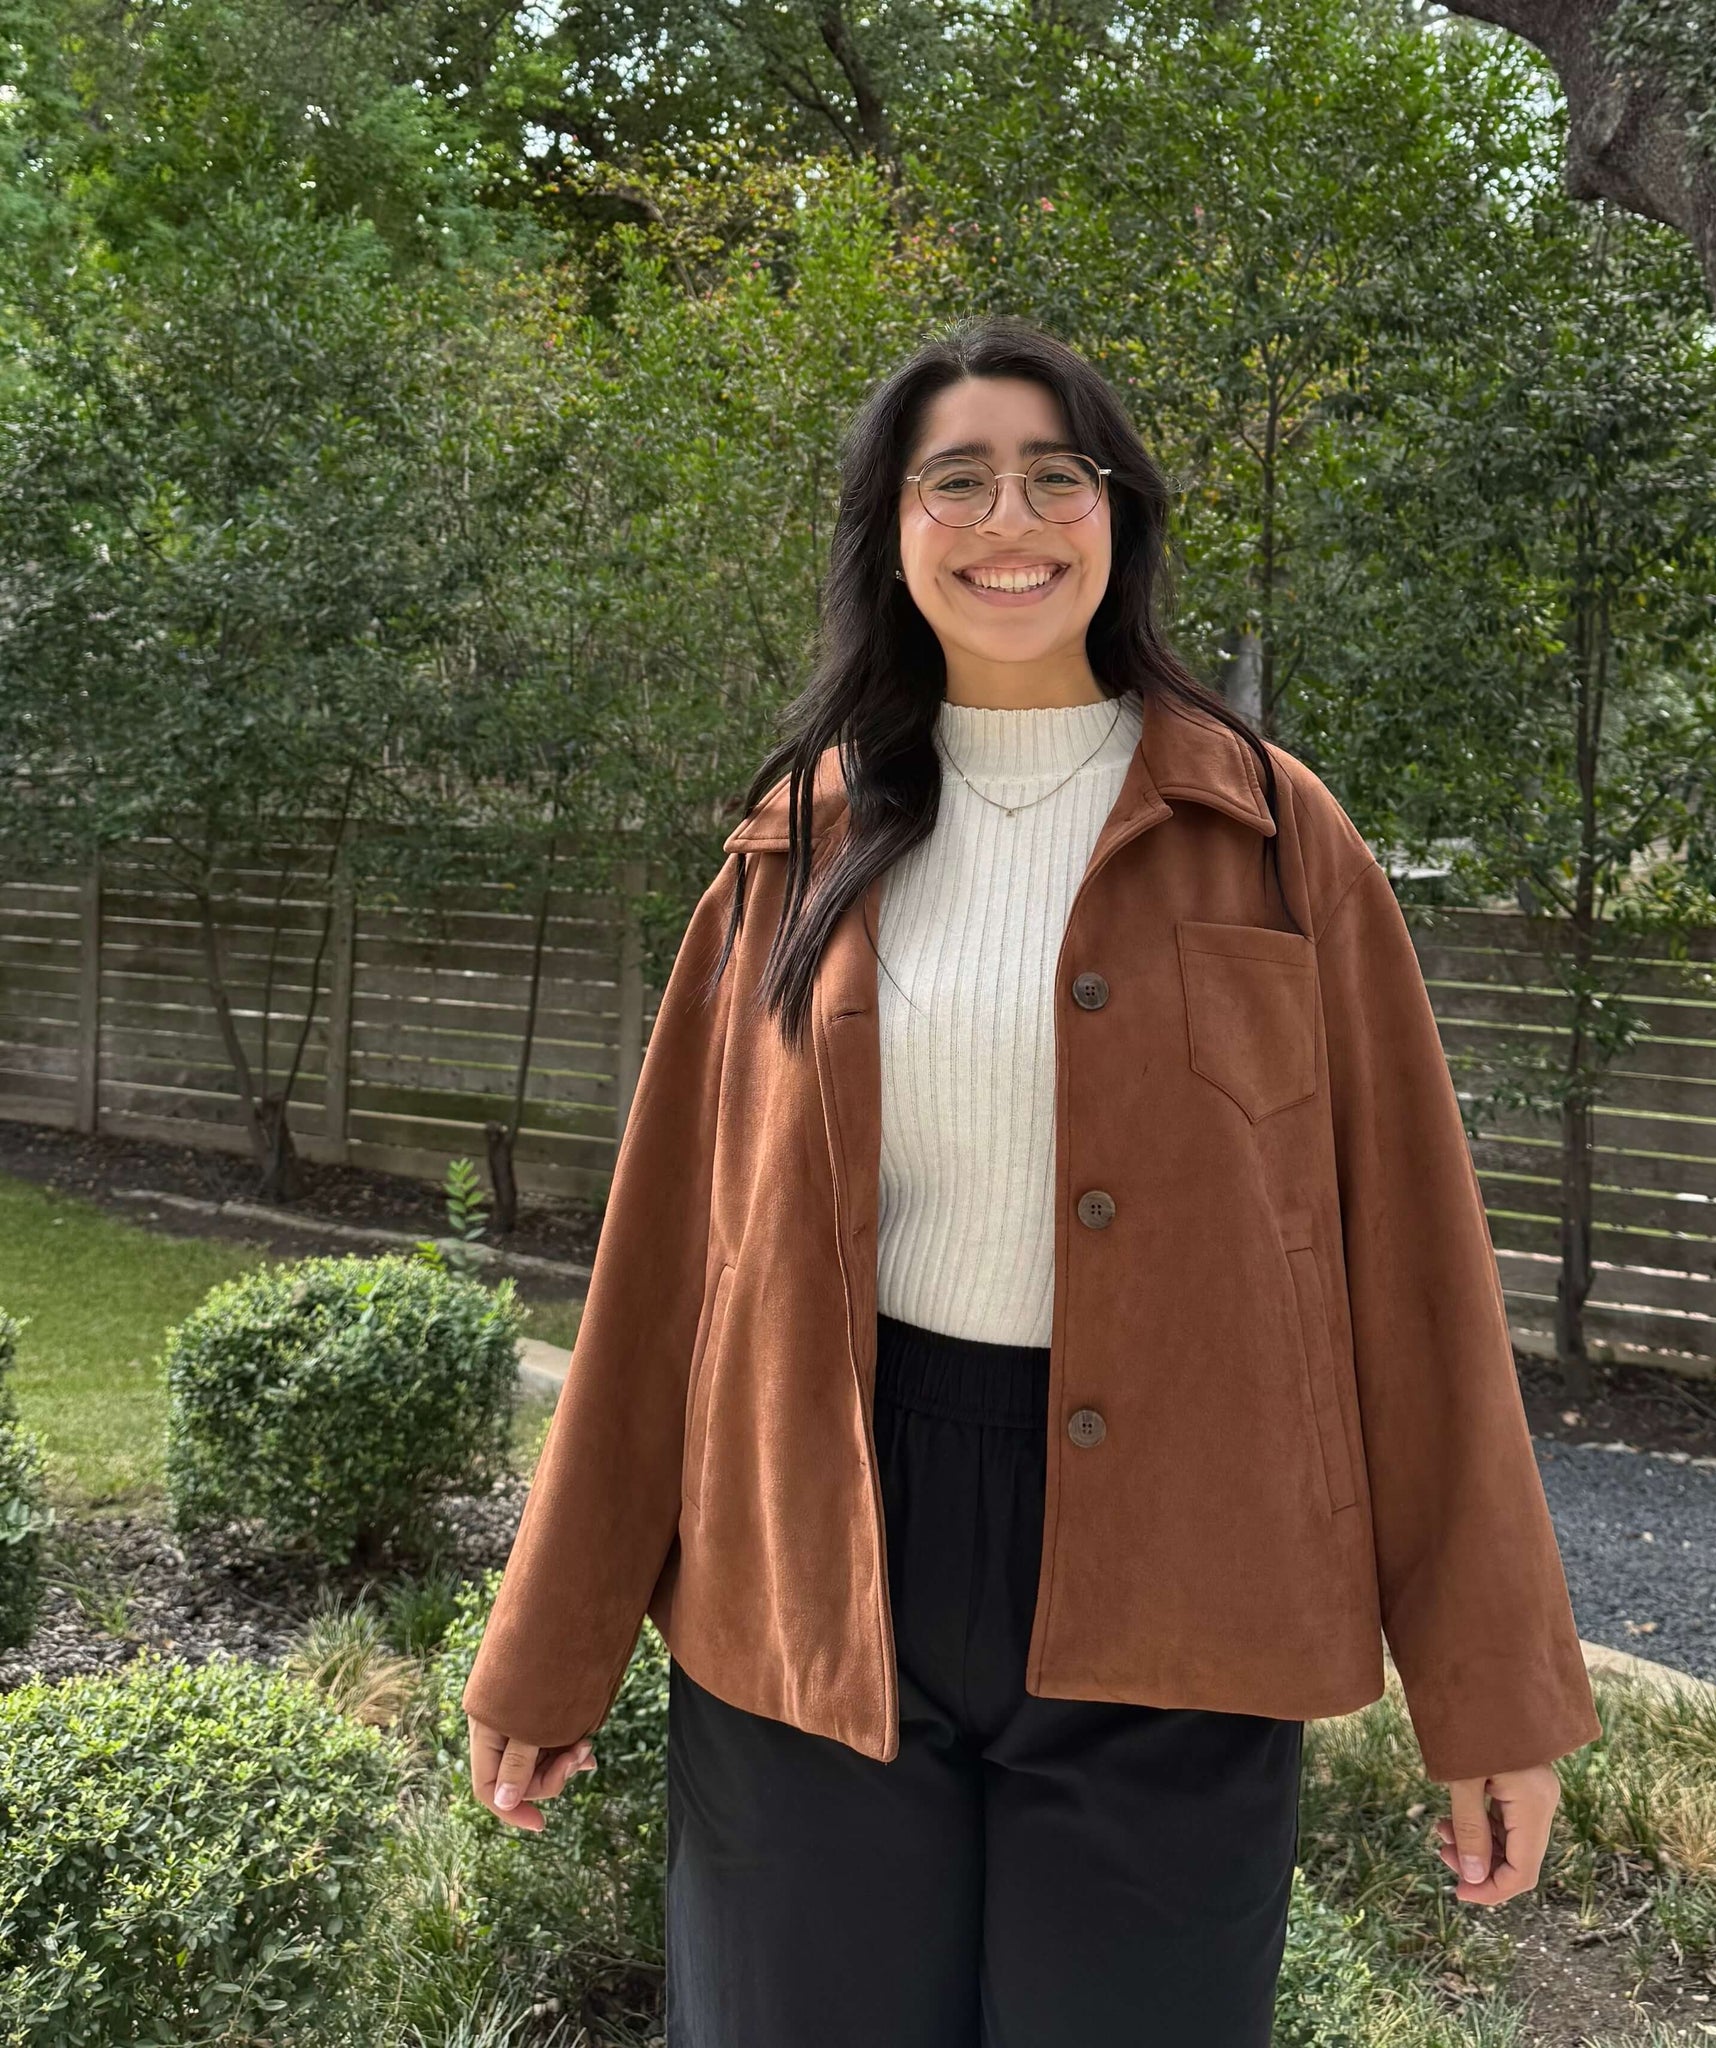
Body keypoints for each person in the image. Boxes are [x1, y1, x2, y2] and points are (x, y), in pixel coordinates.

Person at [459, 314, 1603, 2048]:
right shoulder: (791, 850)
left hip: (1187, 1592)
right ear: (892, 531)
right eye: (960, 479)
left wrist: (1492, 1693)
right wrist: (552, 1644)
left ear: (1118, 516)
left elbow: (1416, 1282)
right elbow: (670, 1275)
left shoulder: (1275, 839)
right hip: (817, 1573)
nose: (1012, 519)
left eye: (1057, 475)